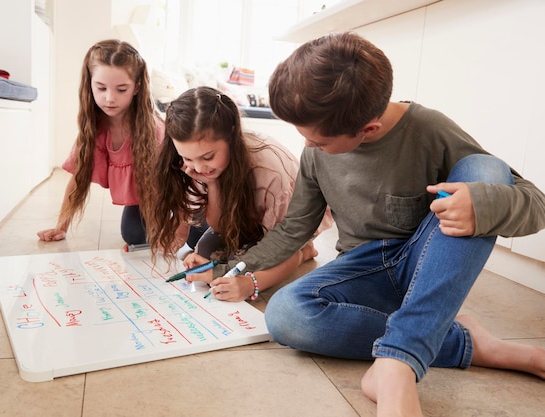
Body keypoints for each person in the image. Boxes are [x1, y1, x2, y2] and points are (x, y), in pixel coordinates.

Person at [230, 32, 545, 416]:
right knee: (286, 315)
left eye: (319, 142)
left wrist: (480, 203)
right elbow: (294, 228)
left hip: (425, 267)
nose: (309, 148)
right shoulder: (316, 150)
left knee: (486, 171)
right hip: (364, 271)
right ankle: (464, 342)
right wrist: (233, 266)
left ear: (369, 130)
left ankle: (396, 368)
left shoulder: (429, 130)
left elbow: (536, 204)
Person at [143, 86, 332, 301]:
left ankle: (304, 253)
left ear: (232, 134)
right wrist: (212, 184)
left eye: (208, 157)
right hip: (244, 214)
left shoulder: (268, 171)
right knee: (206, 251)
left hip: (287, 225)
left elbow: (285, 239)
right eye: (187, 158)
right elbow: (219, 225)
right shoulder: (197, 167)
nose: (198, 167)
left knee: (254, 261)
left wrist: (250, 285)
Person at [37, 39, 164, 247]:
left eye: (121, 89)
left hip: (174, 194)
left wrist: (176, 227)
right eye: (101, 88)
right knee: (134, 235)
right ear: (90, 85)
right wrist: (61, 226)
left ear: (137, 88)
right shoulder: (95, 127)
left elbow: (173, 184)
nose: (109, 99)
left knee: (187, 231)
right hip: (145, 197)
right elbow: (78, 178)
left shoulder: (154, 129)